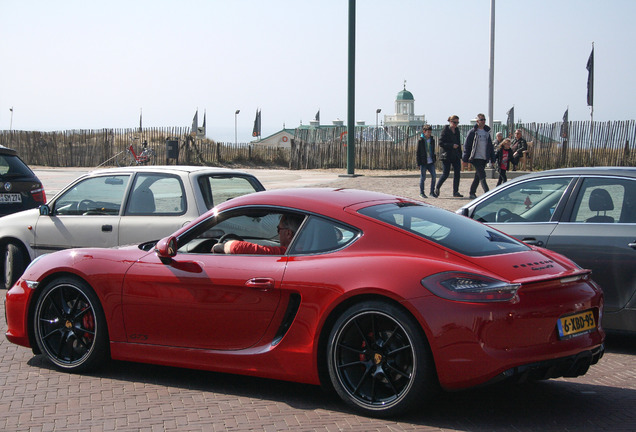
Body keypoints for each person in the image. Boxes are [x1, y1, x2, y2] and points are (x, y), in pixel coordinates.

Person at [213, 214, 303, 254]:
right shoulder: (307, 248)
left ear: (288, 233)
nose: (278, 233)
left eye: (278, 229)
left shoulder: (287, 252)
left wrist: (222, 246)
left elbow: (237, 247)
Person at [463, 113, 495, 199]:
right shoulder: (473, 132)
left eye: (484, 120)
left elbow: (490, 146)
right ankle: (487, 193)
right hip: (475, 157)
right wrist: (465, 159)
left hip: (484, 157)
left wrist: (492, 158)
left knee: (478, 176)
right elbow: (467, 145)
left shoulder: (486, 132)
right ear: (477, 121)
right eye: (481, 120)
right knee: (482, 175)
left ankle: (472, 192)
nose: (483, 121)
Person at [434, 115, 463, 198]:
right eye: (454, 122)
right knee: (446, 173)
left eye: (457, 122)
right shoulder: (445, 130)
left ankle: (455, 191)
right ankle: (437, 187)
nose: (456, 124)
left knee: (457, 173)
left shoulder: (457, 130)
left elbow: (459, 142)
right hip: (446, 155)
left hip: (456, 155)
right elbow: (441, 143)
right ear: (450, 121)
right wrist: (451, 145)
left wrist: (460, 155)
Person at [416, 125, 437, 198]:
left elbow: (433, 150)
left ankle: (432, 192)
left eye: (430, 132)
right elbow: (418, 152)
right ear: (424, 132)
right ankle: (422, 192)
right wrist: (418, 163)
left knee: (434, 176)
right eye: (428, 132)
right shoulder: (421, 140)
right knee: (423, 177)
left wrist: (434, 159)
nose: (429, 133)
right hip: (423, 162)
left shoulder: (432, 140)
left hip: (430, 161)